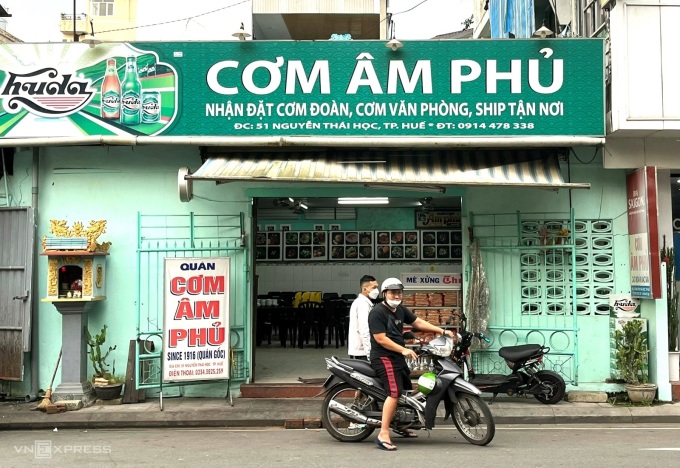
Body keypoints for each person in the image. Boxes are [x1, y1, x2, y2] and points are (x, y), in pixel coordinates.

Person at [368, 277, 455, 451]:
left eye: (399, 292)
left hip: (398, 357)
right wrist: (403, 350)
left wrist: (441, 330)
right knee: (395, 393)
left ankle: (401, 425)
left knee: (407, 391)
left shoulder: (400, 310)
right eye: (393, 292)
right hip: (383, 357)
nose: (396, 295)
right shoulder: (377, 312)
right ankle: (383, 433)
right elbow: (381, 339)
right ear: (385, 294)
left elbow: (417, 322)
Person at [347, 274, 379, 360]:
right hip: (363, 351)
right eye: (374, 287)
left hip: (363, 350)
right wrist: (370, 354)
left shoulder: (363, 303)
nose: (376, 291)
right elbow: (364, 330)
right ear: (364, 289)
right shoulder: (362, 304)